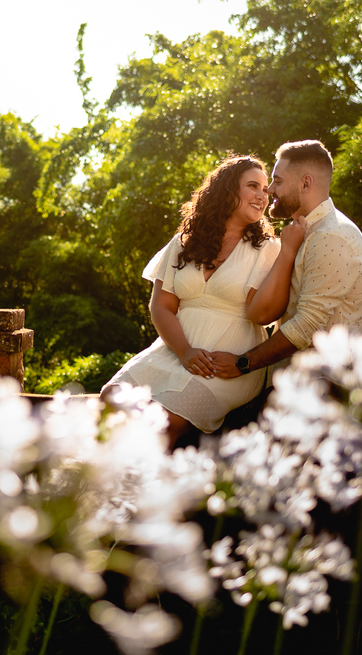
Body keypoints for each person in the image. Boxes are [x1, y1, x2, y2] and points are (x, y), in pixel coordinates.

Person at [100, 155, 307, 441]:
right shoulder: (183, 242)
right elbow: (161, 306)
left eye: (265, 189)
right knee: (110, 399)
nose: (263, 195)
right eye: (253, 186)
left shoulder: (267, 249)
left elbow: (262, 315)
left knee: (163, 422)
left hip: (223, 363)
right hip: (173, 351)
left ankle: (143, 471)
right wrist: (184, 351)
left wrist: (288, 252)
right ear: (227, 190)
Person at [209, 139, 362, 381]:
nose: (269, 189)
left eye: (278, 181)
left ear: (305, 183)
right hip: (295, 381)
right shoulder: (303, 233)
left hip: (324, 386)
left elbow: (306, 326)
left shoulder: (331, 236)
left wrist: (242, 363)